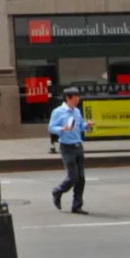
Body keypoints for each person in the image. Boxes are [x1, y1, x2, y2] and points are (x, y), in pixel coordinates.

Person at [48, 86, 93, 214]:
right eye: (75, 98)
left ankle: (77, 205)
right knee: (73, 176)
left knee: (81, 178)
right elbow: (51, 127)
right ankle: (58, 191)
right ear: (68, 98)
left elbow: (80, 127)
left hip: (78, 145)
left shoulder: (77, 112)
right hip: (66, 147)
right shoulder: (58, 112)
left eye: (78, 97)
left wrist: (87, 126)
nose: (77, 100)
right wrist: (62, 129)